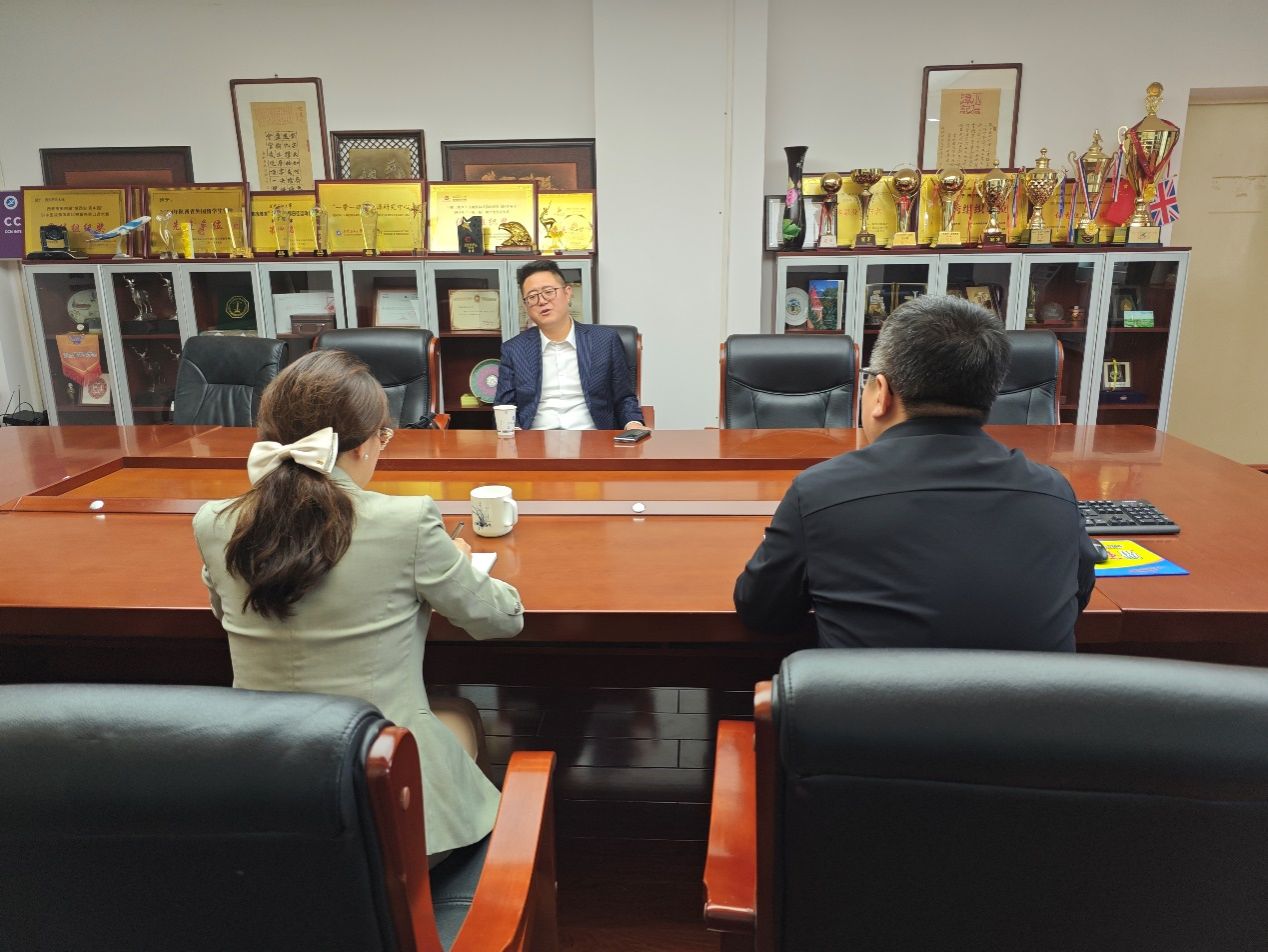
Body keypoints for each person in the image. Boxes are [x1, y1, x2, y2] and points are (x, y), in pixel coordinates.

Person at [193, 349, 524, 864]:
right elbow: (501, 620)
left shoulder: (214, 522)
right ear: (366, 443)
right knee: (459, 714)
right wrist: (455, 565)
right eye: (384, 436)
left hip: (263, 795)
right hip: (383, 804)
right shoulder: (406, 522)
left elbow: (224, 612)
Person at [733, 295, 1098, 651]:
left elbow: (763, 613)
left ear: (881, 392)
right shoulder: (1054, 493)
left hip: (867, 695)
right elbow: (1077, 596)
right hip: (1028, 695)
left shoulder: (819, 492)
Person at [495, 259, 648, 431]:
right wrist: (516, 438)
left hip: (592, 439)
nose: (542, 301)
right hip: (535, 440)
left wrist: (633, 424)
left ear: (568, 293)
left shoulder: (605, 341)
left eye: (548, 292)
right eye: (532, 297)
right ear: (526, 306)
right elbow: (504, 406)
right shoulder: (514, 349)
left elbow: (624, 398)